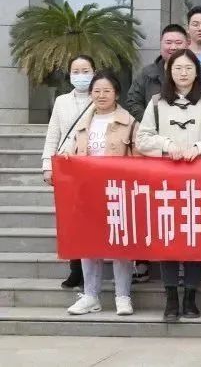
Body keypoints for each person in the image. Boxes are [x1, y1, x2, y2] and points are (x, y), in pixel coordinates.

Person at [135, 50, 201, 322]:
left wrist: (200, 147)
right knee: (169, 237)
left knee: (195, 236)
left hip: (199, 180)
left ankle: (191, 297)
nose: (183, 73)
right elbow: (142, 139)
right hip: (166, 181)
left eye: (188, 68)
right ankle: (171, 296)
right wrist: (166, 145)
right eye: (177, 68)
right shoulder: (156, 103)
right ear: (169, 72)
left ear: (197, 72)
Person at [56, 71, 137, 317]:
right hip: (87, 192)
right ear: (91, 94)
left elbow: (138, 157)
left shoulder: (129, 122)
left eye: (107, 91)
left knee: (121, 244)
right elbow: (71, 150)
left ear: (117, 94)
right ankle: (91, 295)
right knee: (88, 243)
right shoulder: (81, 123)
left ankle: (123, 296)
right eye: (97, 91)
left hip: (118, 191)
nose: (101, 95)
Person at [41, 55, 96, 289]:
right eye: (76, 71)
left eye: (85, 71)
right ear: (70, 74)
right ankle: (75, 269)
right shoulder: (62, 101)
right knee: (71, 219)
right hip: (67, 166)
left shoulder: (100, 97)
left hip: (93, 167)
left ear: (94, 72)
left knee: (91, 218)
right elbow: (53, 133)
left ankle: (92, 267)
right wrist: (47, 164)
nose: (81, 75)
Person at [125, 24, 201, 122]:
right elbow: (133, 102)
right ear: (161, 43)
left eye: (178, 43)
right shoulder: (147, 73)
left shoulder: (199, 73)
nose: (173, 47)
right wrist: (152, 122)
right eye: (168, 42)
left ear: (187, 44)